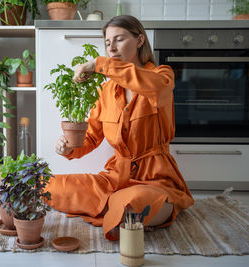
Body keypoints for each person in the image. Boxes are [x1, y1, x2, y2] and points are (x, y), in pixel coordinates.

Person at [45, 15, 194, 240]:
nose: (111, 48)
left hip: (155, 180)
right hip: (114, 179)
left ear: (140, 40)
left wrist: (99, 64)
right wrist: (68, 148)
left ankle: (119, 208)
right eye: (107, 43)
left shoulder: (162, 77)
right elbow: (91, 138)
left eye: (119, 39)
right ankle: (113, 208)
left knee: (132, 204)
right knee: (47, 184)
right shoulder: (105, 91)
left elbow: (151, 87)